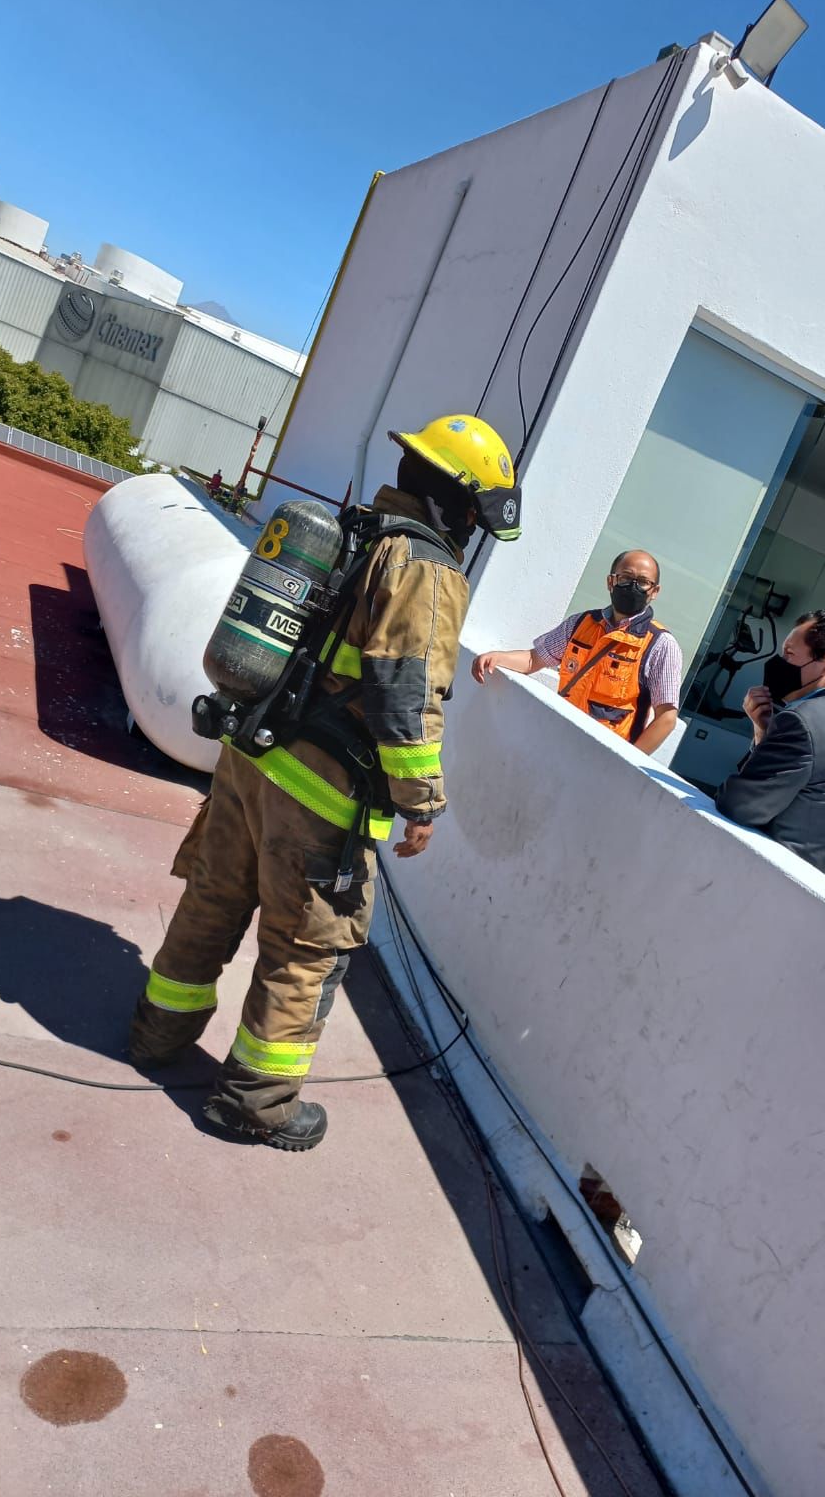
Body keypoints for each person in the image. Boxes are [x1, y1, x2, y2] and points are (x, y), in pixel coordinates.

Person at [127, 413, 521, 1151]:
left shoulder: (353, 532)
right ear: (459, 503)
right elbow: (405, 699)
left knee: (210, 903)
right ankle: (255, 1102)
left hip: (250, 760)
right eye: (473, 511)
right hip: (319, 793)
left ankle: (155, 1037)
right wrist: (422, 805)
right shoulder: (426, 570)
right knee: (304, 950)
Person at [714, 609, 825, 891]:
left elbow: (739, 805)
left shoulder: (801, 721)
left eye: (789, 655)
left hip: (778, 891)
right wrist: (763, 732)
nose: (779, 664)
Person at [471, 550, 683, 757]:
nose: (633, 587)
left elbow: (666, 718)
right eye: (626, 577)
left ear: (654, 591)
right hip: (558, 742)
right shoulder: (581, 624)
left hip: (602, 759)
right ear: (611, 582)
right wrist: (497, 657)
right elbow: (533, 659)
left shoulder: (660, 644)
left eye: (643, 582)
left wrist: (627, 767)